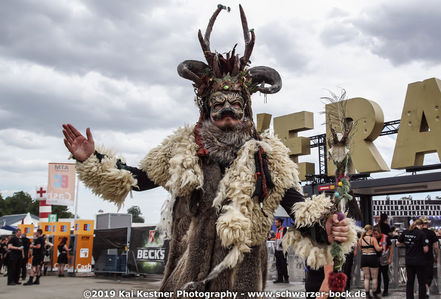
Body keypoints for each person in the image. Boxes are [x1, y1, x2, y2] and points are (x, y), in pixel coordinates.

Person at [61, 5, 357, 296]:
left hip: (241, 280)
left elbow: (296, 206)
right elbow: (138, 178)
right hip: (186, 277)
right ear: (206, 108)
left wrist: (326, 224)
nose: (227, 109)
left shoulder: (267, 156)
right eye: (219, 104)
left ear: (246, 111)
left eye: (235, 104)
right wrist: (93, 159)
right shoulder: (183, 150)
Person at [397, 219, 429, 299]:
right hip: (419, 261)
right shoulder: (421, 233)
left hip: (409, 260)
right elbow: (425, 249)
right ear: (421, 225)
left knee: (410, 282)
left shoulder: (405, 232)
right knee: (421, 282)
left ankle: (409, 297)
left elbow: (398, 243)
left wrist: (407, 244)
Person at [359, 225, 383, 299]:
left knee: (366, 277)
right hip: (372, 257)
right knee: (374, 277)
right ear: (370, 230)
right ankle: (374, 294)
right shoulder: (373, 239)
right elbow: (378, 249)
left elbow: (360, 250)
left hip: (364, 257)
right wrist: (381, 247)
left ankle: (367, 294)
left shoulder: (360, 240)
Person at [419, 217, 439, 297]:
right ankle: (427, 288)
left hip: (419, 256)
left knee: (420, 274)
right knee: (429, 274)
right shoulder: (431, 233)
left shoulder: (418, 232)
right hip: (429, 256)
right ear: (427, 224)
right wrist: (436, 256)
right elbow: (436, 247)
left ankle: (422, 289)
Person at [373, 225, 393, 297]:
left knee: (385, 275)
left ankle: (386, 290)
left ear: (380, 232)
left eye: (376, 234)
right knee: (377, 275)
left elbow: (391, 248)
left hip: (384, 259)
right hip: (375, 259)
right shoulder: (373, 238)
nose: (375, 235)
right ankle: (378, 289)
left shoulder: (386, 238)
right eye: (374, 234)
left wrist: (390, 258)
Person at [272, 218, 288, 283]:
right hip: (277, 250)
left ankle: (286, 278)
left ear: (280, 223)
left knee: (283, 265)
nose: (275, 224)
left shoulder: (284, 229)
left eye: (276, 222)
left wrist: (283, 244)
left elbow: (286, 238)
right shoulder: (277, 230)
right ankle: (280, 279)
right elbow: (277, 239)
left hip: (282, 251)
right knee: (278, 265)